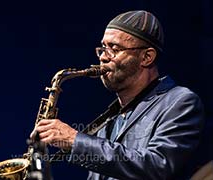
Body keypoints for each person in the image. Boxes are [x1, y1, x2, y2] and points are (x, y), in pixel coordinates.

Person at [30, 10, 205, 179]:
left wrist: (74, 140)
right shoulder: (109, 120)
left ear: (147, 57)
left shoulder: (180, 102)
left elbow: (157, 165)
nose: (103, 57)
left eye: (114, 49)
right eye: (103, 48)